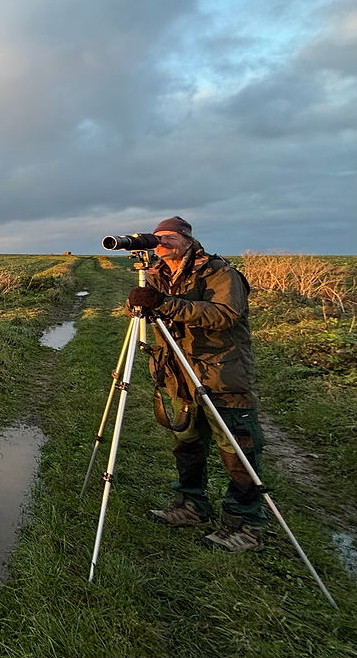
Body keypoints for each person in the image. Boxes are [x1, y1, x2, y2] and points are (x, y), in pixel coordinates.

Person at [127, 216, 266, 552]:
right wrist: (137, 304)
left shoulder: (219, 272)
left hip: (221, 375)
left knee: (237, 451)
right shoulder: (156, 273)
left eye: (170, 238)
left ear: (189, 240)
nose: (162, 243)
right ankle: (191, 508)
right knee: (187, 446)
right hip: (178, 373)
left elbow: (224, 315)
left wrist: (162, 304)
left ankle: (244, 526)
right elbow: (150, 311)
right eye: (157, 238)